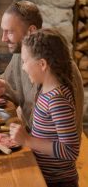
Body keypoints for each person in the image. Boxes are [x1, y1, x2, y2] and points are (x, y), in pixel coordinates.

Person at [0, 0, 84, 135]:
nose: (3, 38)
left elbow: (65, 138)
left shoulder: (60, 70)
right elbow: (7, 80)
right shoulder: (20, 54)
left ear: (31, 31)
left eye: (9, 32)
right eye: (3, 31)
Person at [10, 28, 80, 187]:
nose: (23, 67)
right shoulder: (43, 91)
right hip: (43, 175)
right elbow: (46, 134)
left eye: (25, 61)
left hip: (59, 182)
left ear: (42, 64)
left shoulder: (57, 99)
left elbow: (70, 151)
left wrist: (27, 140)